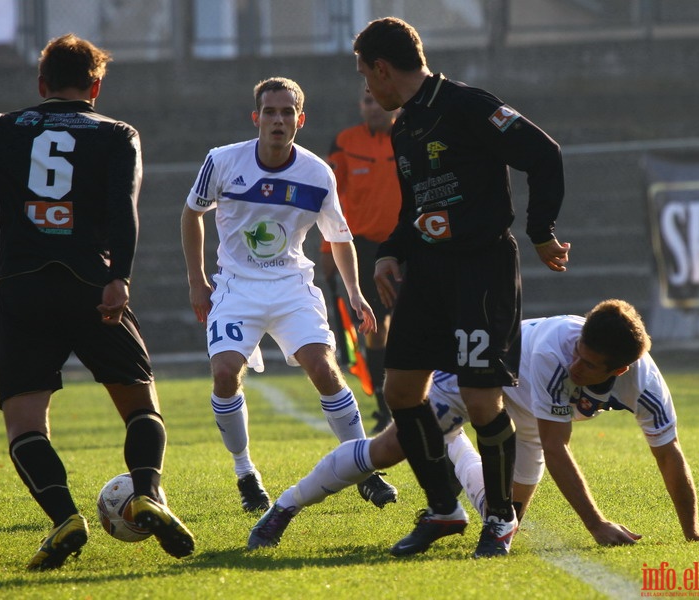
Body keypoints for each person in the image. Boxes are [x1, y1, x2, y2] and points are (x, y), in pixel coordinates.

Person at [0, 34, 194, 570]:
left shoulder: (0, 127)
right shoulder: (117, 133)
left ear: (41, 84)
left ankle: (64, 516)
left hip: (23, 289)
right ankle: (147, 495)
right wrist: (120, 279)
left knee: (25, 423)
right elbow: (124, 208)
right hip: (93, 286)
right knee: (140, 406)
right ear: (96, 86)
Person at [353, 17, 571, 558]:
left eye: (365, 74)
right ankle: (445, 508)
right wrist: (390, 253)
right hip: (427, 275)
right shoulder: (404, 127)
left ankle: (499, 518)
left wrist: (541, 232)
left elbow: (545, 154)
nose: (368, 88)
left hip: (480, 268)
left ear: (382, 68)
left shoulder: (469, 105)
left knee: (479, 398)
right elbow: (416, 208)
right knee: (401, 391)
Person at [248, 300, 699, 551]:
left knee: (505, 518)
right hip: (475, 380)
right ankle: (285, 507)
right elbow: (558, 447)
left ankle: (449, 446)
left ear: (618, 372)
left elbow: (668, 454)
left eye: (590, 365)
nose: (577, 364)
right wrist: (596, 524)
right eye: (579, 350)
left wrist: (690, 530)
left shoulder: (647, 387)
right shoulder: (557, 351)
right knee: (389, 450)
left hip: (528, 414)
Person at [180, 76, 397, 515]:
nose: (278, 120)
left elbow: (339, 237)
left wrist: (355, 292)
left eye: (286, 113)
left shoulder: (317, 173)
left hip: (291, 285)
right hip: (236, 287)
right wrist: (197, 280)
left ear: (300, 119)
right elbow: (191, 214)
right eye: (270, 112)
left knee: (323, 367)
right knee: (225, 374)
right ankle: (245, 473)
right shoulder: (222, 162)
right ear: (255, 117)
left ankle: (364, 468)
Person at [321, 88, 401, 435]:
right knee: (375, 327)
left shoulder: (412, 136)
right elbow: (332, 202)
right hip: (366, 250)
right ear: (360, 105)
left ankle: (419, 397)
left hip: (409, 246)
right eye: (366, 100)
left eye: (377, 99)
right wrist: (328, 251)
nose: (373, 106)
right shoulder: (345, 142)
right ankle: (384, 404)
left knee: (411, 323)